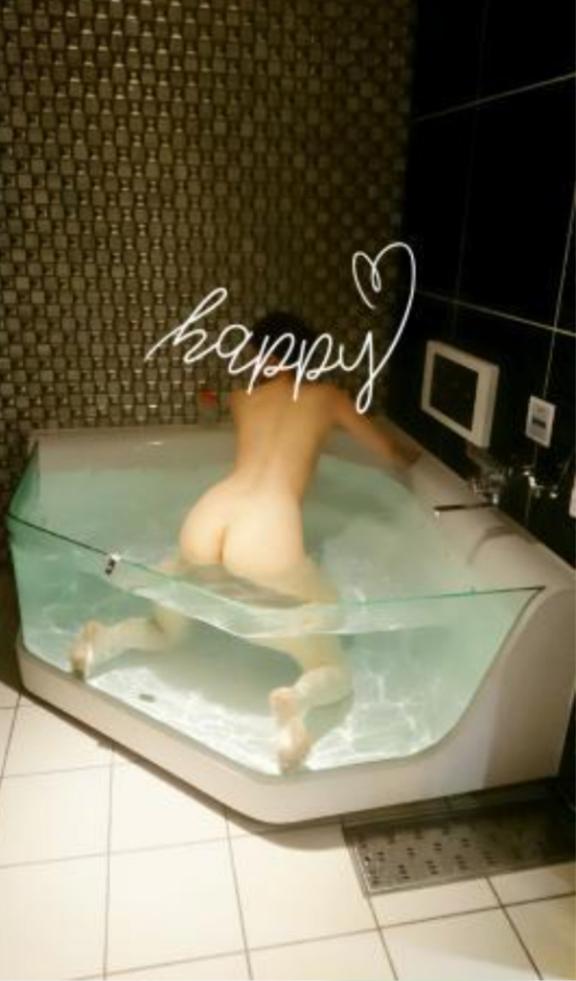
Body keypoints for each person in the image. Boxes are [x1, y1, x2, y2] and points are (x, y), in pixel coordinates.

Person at [70, 312, 418, 772]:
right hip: (266, 529)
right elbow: (392, 453)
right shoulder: (329, 397)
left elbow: (215, 404)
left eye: (253, 352)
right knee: (330, 656)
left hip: (208, 517)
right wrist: (415, 456)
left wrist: (210, 396)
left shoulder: (241, 398)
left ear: (266, 356)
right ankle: (297, 703)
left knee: (168, 630)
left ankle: (104, 640)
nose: (248, 360)